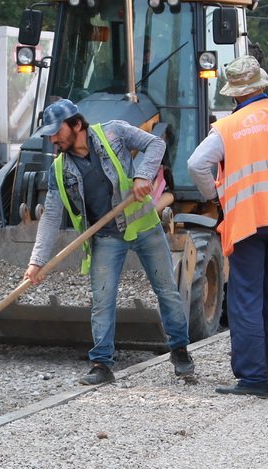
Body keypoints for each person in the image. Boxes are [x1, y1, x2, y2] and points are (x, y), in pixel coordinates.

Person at [24, 99, 194, 385]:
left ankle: (179, 350)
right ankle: (102, 364)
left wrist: (143, 174)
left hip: (144, 228)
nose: (53, 139)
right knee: (102, 301)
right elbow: (51, 217)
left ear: (76, 124)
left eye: (57, 132)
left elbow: (156, 144)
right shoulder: (59, 169)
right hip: (105, 237)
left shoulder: (114, 133)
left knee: (166, 291)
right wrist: (36, 261)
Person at [187, 55, 268, 398]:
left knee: (247, 299)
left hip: (246, 223)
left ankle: (252, 379)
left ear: (234, 94)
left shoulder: (228, 128)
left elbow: (196, 164)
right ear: (262, 85)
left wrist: (218, 200)